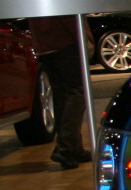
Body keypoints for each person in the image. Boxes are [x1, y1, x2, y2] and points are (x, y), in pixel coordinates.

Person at [26, 16, 91, 168]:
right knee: (77, 92)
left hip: (45, 45)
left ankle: (73, 148)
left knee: (62, 94)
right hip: (65, 41)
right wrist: (83, 37)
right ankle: (66, 147)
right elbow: (68, 15)